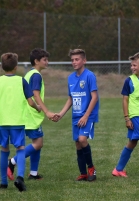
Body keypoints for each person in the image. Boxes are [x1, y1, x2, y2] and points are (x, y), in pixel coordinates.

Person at [0, 52, 41, 192]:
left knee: (4, 150)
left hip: (2, 122)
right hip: (17, 122)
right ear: (16, 67)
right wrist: (38, 107)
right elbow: (30, 101)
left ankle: (3, 182)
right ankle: (20, 178)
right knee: (20, 148)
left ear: (2, 67)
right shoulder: (21, 81)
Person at [7, 48, 56, 181]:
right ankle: (12, 162)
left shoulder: (29, 74)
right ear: (36, 61)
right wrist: (47, 111)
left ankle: (33, 174)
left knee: (37, 142)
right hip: (31, 115)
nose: (47, 62)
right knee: (38, 143)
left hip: (27, 114)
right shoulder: (36, 75)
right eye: (44, 59)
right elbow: (35, 94)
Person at [55, 49, 99, 182]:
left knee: (82, 139)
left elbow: (94, 97)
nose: (74, 62)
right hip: (76, 116)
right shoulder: (70, 78)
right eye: (72, 60)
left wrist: (86, 116)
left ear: (84, 60)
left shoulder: (89, 76)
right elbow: (71, 98)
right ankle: (83, 173)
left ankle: (91, 168)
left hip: (88, 115)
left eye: (77, 59)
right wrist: (61, 114)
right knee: (78, 144)